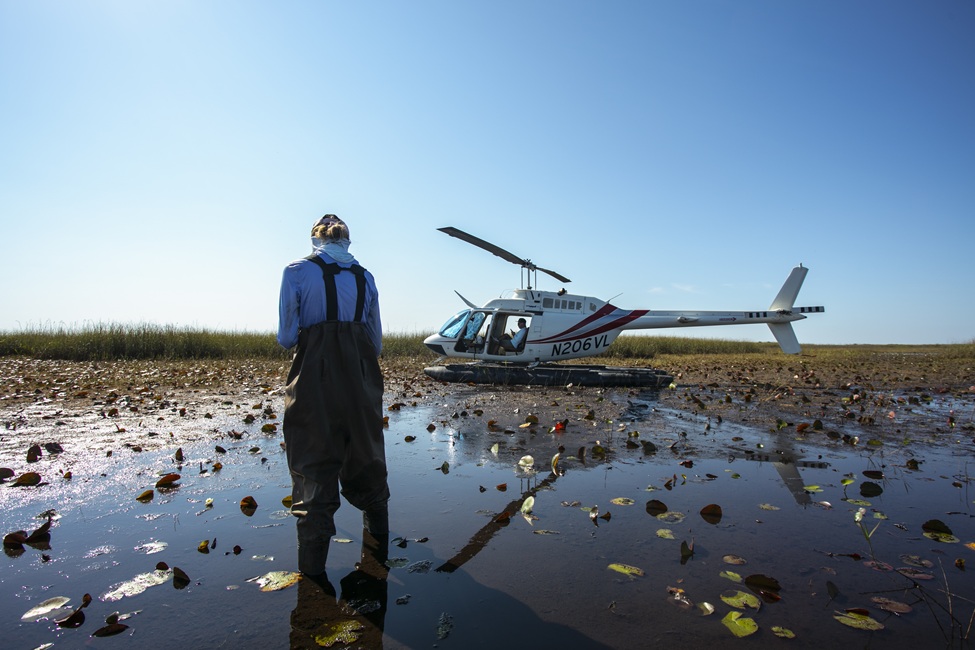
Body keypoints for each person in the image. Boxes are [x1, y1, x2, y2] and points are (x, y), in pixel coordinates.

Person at [277, 213, 389, 576]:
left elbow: (287, 337)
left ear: (315, 239)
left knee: (312, 460)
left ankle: (312, 577)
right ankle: (379, 549)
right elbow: (376, 342)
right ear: (347, 240)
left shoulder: (296, 271)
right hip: (361, 375)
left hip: (315, 374)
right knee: (368, 454)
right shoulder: (366, 277)